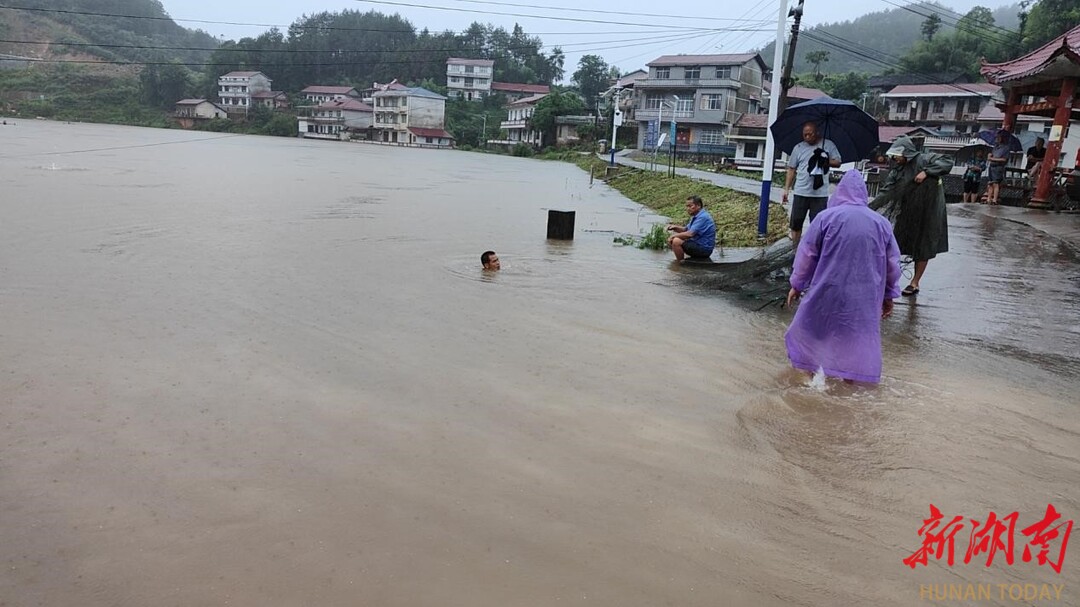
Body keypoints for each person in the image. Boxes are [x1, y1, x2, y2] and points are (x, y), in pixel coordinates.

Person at [785, 171, 902, 384]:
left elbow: (806, 255)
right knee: (856, 337)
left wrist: (797, 284)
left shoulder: (825, 218)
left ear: (839, 192)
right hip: (864, 295)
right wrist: (889, 294)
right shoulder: (882, 223)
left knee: (810, 330)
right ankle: (850, 382)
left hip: (828, 289)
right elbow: (892, 263)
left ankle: (810, 381)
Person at [872, 135, 953, 296]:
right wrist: (869, 207)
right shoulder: (897, 170)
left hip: (929, 211)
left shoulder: (924, 159)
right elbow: (886, 192)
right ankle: (887, 279)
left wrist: (927, 172)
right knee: (895, 243)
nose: (895, 158)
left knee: (923, 246)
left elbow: (947, 161)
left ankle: (914, 282)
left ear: (906, 153)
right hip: (908, 210)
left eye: (897, 155)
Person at [782, 121, 842, 244]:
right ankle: (795, 249)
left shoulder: (828, 145)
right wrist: (786, 189)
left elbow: (838, 162)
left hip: (819, 194)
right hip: (801, 191)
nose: (808, 137)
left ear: (817, 132)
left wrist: (825, 160)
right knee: (796, 223)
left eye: (810, 134)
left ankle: (815, 251)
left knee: (818, 226)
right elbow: (792, 168)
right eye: (805, 135)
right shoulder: (798, 148)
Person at [666, 195, 716, 261]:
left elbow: (690, 234)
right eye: (687, 206)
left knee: (676, 241)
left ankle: (680, 263)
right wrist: (675, 227)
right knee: (678, 238)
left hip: (704, 249)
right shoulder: (697, 216)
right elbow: (685, 229)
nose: (688, 208)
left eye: (690, 206)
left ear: (698, 206)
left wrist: (673, 236)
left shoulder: (702, 217)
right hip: (698, 245)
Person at [986, 131, 1011, 205]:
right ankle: (989, 199)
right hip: (991, 166)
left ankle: (994, 199)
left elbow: (1004, 159)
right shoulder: (995, 147)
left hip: (998, 167)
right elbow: (991, 156)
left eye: (999, 137)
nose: (997, 139)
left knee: (995, 184)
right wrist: (989, 156)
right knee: (990, 183)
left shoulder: (1005, 148)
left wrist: (993, 159)